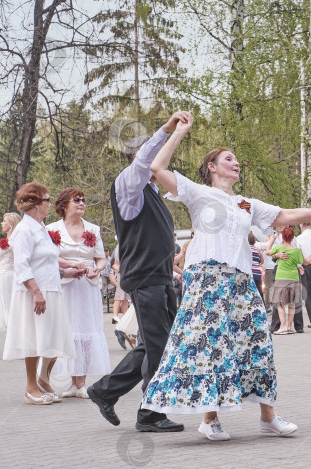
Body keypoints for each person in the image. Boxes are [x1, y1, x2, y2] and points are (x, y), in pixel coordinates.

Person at [140, 112, 311, 440]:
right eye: (229, 159)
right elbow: (157, 169)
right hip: (206, 278)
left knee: (257, 343)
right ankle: (209, 420)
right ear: (212, 167)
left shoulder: (245, 204)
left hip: (240, 280)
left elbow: (283, 215)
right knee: (213, 348)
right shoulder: (198, 193)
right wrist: (178, 131)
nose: (236, 163)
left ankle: (268, 417)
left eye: (237, 160)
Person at [87, 111, 189, 433]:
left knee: (154, 344)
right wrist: (168, 130)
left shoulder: (152, 192)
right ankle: (149, 414)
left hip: (158, 277)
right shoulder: (129, 185)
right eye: (156, 156)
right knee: (158, 346)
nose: (162, 162)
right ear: (138, 158)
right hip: (144, 277)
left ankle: (105, 390)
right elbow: (146, 160)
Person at [2, 182, 82, 405]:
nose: (50, 204)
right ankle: (30, 387)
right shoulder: (24, 230)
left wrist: (67, 271)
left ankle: (44, 380)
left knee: (54, 337)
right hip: (34, 292)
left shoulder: (42, 229)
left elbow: (46, 262)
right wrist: (36, 292)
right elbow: (22, 265)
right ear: (36, 205)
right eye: (47, 200)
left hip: (52, 289)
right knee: (34, 339)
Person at [47, 188, 110, 399]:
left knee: (85, 332)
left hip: (87, 286)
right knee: (66, 332)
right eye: (77, 200)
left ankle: (80, 383)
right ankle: (66, 381)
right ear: (64, 205)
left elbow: (101, 258)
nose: (82, 203)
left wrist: (97, 269)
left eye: (83, 200)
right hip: (64, 284)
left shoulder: (93, 229)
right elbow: (48, 258)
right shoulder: (51, 229)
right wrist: (70, 267)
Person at [270, 226, 311, 334]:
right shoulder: (297, 250)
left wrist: (271, 242)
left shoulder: (279, 248)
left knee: (280, 303)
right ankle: (289, 326)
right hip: (293, 277)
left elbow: (267, 252)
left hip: (281, 277)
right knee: (292, 303)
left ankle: (283, 326)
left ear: (282, 236)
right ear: (293, 236)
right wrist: (310, 259)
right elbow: (304, 262)